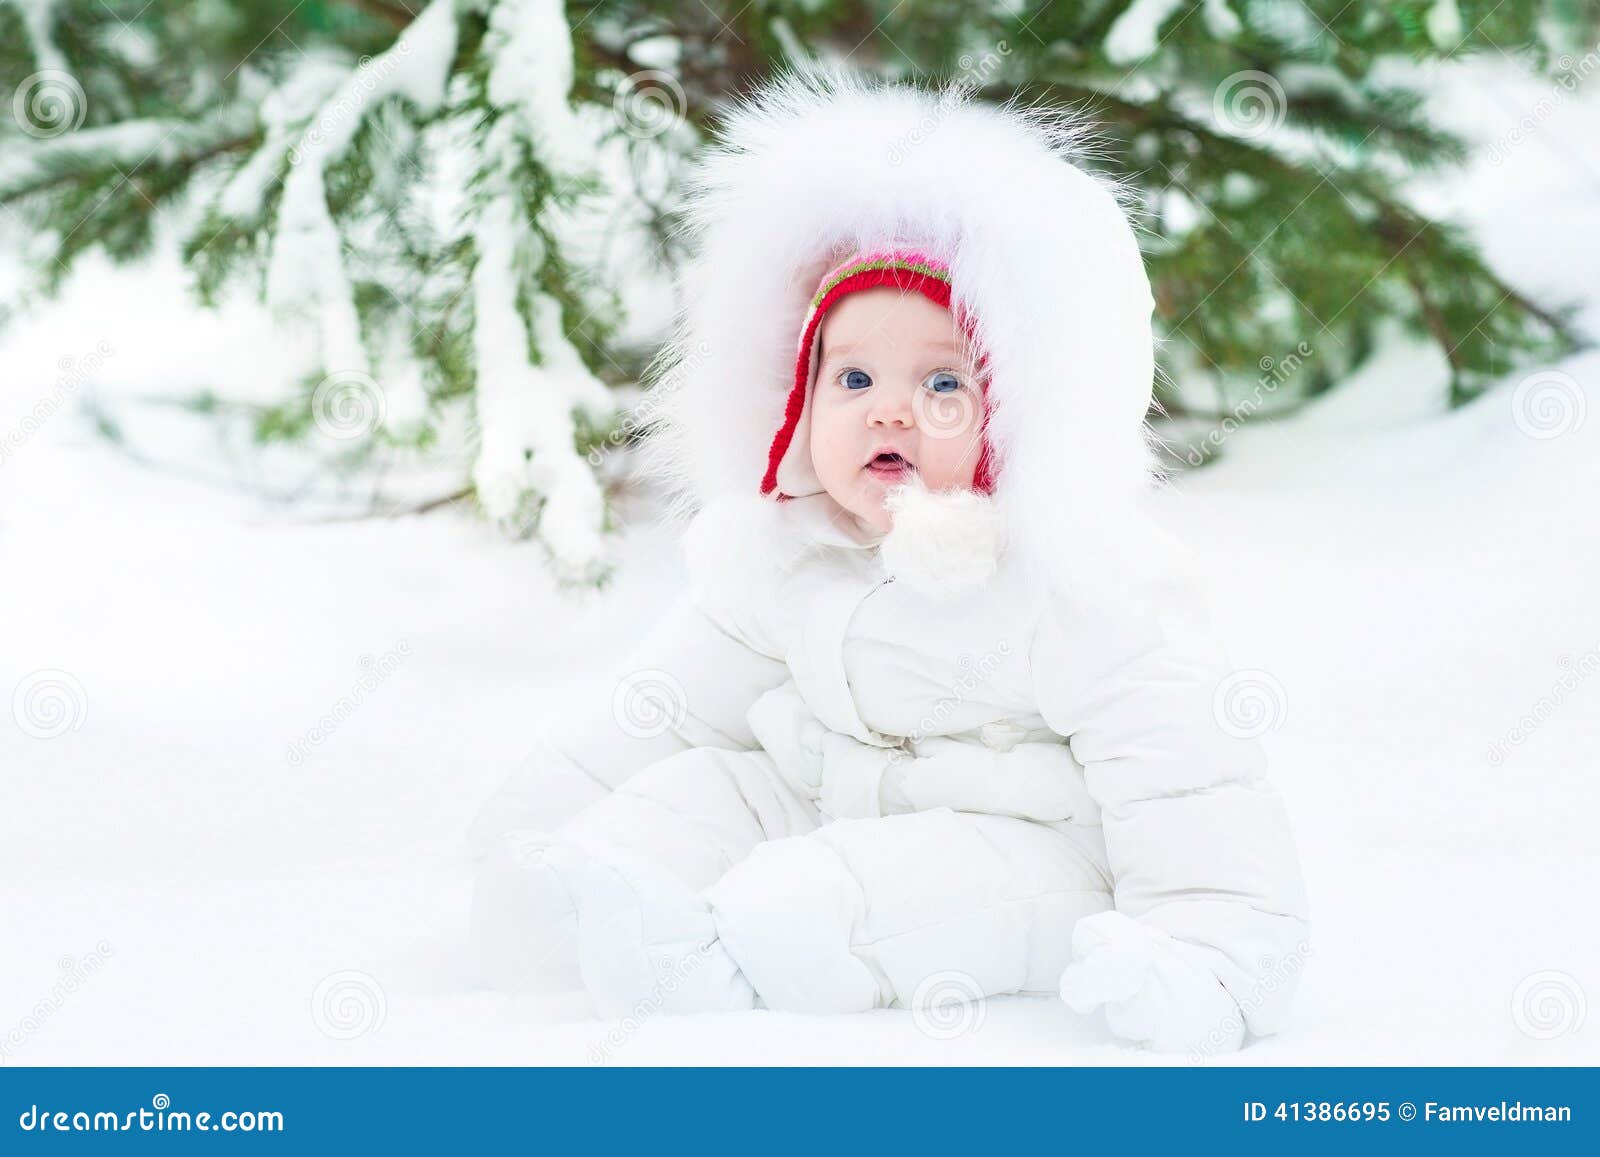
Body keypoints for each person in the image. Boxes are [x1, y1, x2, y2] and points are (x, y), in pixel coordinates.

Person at [467, 68, 1311, 1055]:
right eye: (854, 375)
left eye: (943, 380)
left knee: (826, 893)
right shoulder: (784, 551)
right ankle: (571, 917)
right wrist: (531, 826)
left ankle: (713, 973)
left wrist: (1211, 959)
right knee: (678, 802)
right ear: (796, 396)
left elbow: (1186, 786)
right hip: (828, 797)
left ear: (1023, 411)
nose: (889, 408)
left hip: (1037, 857)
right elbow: (663, 703)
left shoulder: (1078, 585)